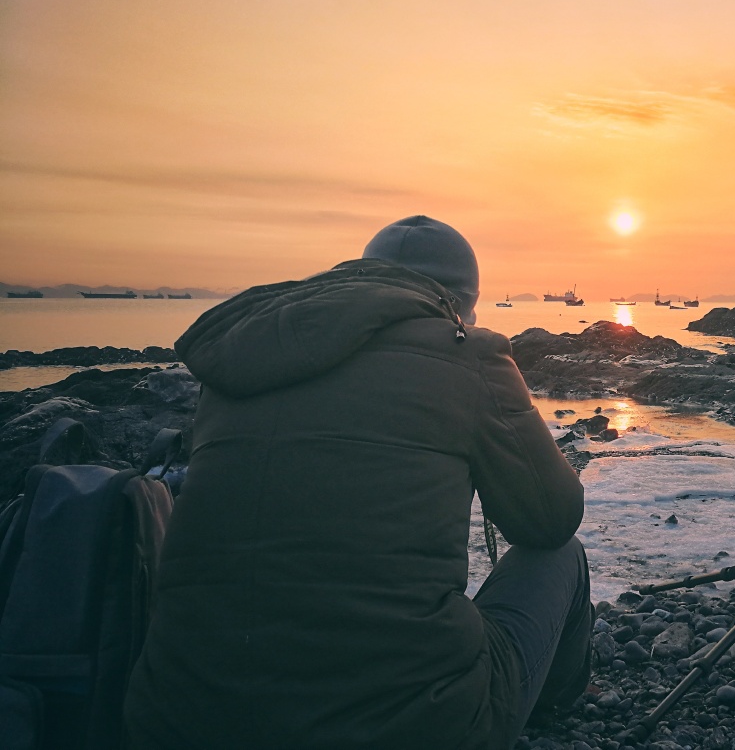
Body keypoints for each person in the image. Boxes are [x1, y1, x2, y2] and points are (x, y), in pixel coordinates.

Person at [125, 215, 593, 750]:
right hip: (407, 725)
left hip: (185, 718)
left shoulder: (240, 359)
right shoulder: (468, 354)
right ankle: (552, 703)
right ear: (461, 304)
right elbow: (551, 520)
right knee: (561, 555)